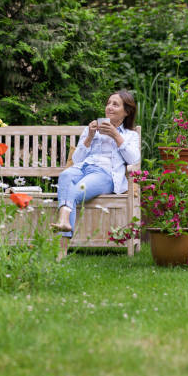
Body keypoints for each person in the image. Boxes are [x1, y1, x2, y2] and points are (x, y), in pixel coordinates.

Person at [51, 90, 141, 254]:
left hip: (105, 174)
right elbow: (77, 160)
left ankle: (61, 250)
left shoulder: (130, 135)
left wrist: (115, 135)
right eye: (108, 103)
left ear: (126, 112)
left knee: (76, 190)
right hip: (83, 167)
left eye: (115, 104)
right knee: (65, 175)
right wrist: (90, 136)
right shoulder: (91, 130)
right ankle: (64, 220)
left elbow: (134, 159)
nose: (109, 107)